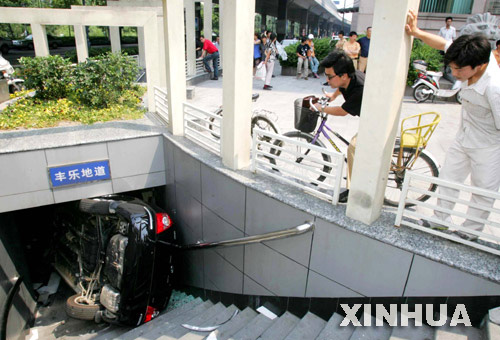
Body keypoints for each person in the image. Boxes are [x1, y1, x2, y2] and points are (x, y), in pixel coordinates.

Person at [406, 9, 500, 241]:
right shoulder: (470, 55)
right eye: (453, 68)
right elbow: (442, 44)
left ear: (479, 66)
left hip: (489, 145)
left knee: (482, 191)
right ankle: (440, 221)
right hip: (464, 136)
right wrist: (416, 32)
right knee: (448, 179)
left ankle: (470, 232)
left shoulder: (495, 87)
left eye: (459, 70)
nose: (455, 73)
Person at [312, 50, 365, 203]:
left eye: (329, 76)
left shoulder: (360, 89)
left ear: (343, 75)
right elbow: (341, 87)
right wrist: (332, 96)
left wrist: (320, 108)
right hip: (369, 117)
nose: (327, 80)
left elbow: (342, 111)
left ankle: (352, 191)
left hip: (376, 121)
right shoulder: (349, 76)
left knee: (353, 147)